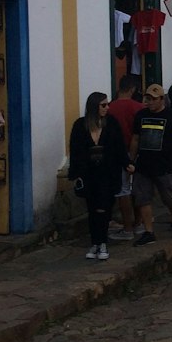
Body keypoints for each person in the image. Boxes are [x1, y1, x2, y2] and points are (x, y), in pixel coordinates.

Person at [69, 92, 131, 260]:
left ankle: (102, 242)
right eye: (103, 105)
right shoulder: (80, 125)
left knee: (104, 208)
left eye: (107, 104)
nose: (107, 108)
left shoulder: (111, 124)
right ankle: (95, 242)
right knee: (92, 209)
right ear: (94, 106)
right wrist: (75, 174)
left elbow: (119, 146)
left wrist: (127, 163)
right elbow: (75, 150)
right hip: (89, 174)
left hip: (108, 173)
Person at [129, 84, 172, 245]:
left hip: (165, 164)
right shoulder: (141, 115)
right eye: (148, 98)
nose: (150, 102)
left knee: (169, 197)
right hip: (144, 164)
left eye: (154, 99)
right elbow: (135, 138)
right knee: (143, 198)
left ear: (162, 99)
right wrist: (131, 160)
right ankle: (149, 230)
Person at [107, 75, 143, 240]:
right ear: (132, 89)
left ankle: (127, 228)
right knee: (136, 188)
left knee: (123, 190)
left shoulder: (109, 108)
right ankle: (137, 224)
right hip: (136, 151)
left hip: (116, 153)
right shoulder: (139, 108)